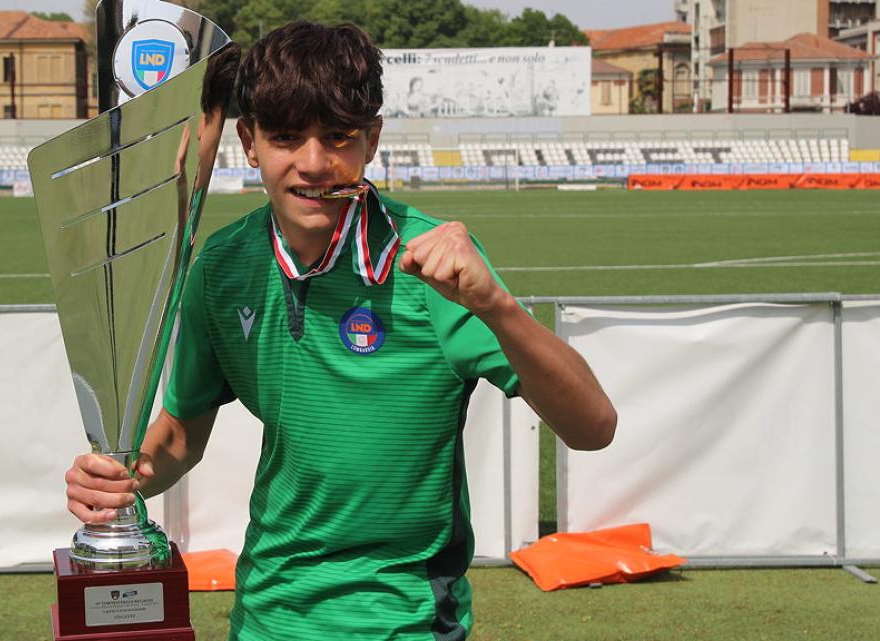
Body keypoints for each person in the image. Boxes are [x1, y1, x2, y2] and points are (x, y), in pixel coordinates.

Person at [65, 21, 616, 641]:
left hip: (405, 623)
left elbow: (593, 427)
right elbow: (179, 436)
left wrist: (498, 306)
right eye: (285, 137)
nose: (313, 163)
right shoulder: (220, 268)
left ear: (370, 139)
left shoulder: (431, 264)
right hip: (267, 619)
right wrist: (119, 478)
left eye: (337, 137)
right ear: (249, 141)